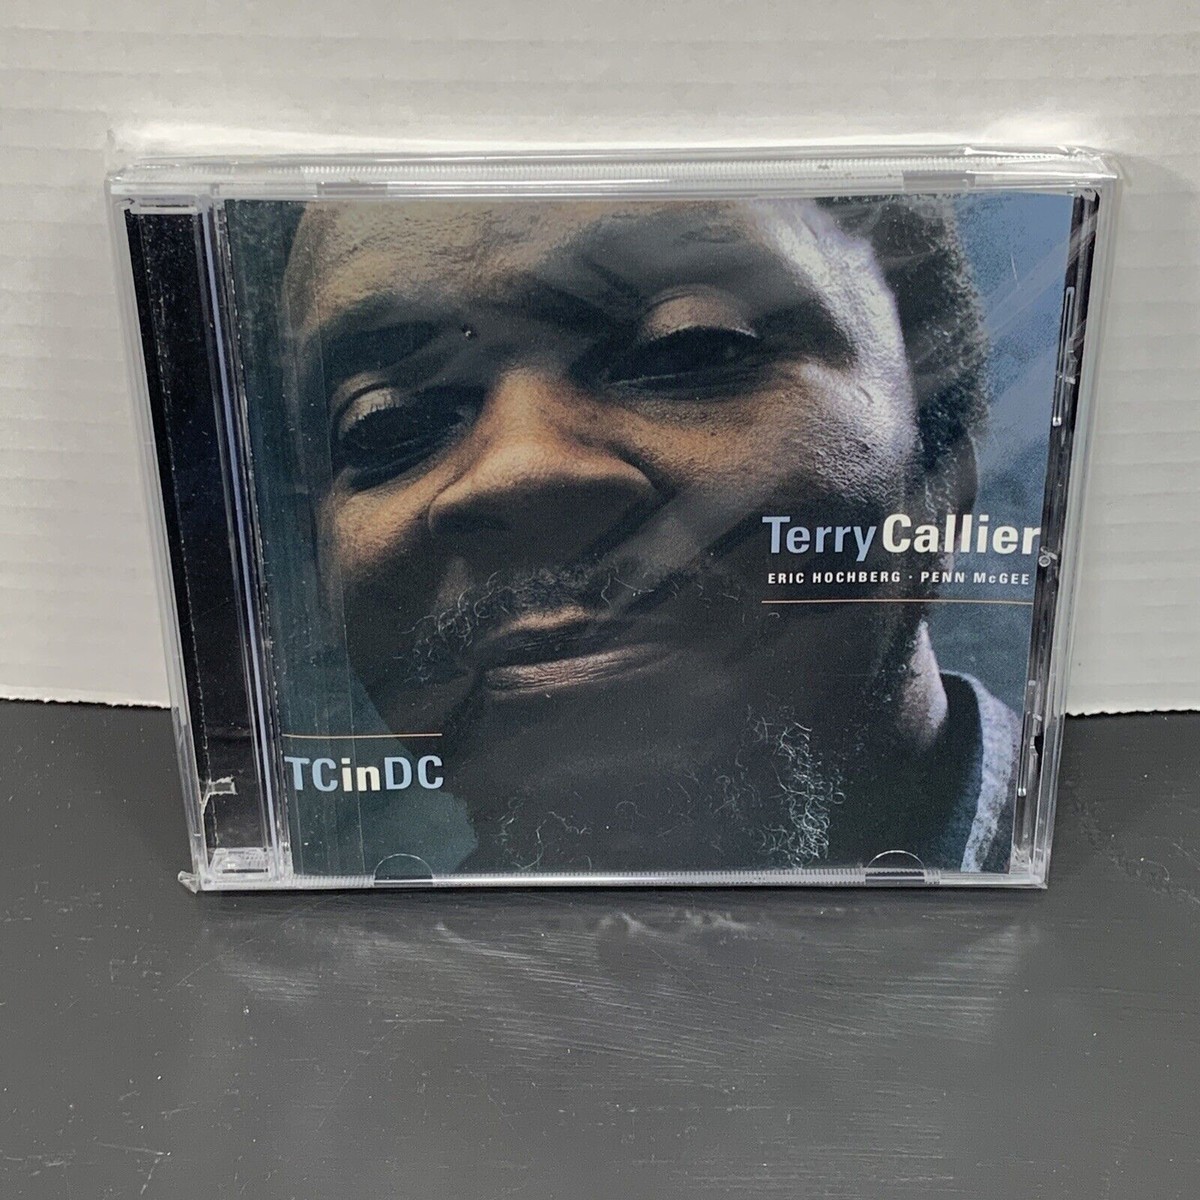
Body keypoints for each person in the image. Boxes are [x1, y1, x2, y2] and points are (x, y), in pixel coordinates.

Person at [278, 195, 1020, 875]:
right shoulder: (334, 964)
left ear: (939, 472)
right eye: (384, 425)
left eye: (687, 349)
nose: (517, 469)